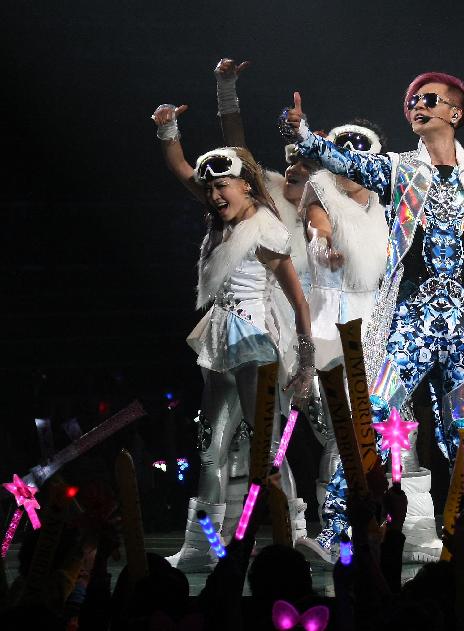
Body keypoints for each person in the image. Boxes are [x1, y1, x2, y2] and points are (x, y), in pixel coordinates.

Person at [280, 71, 464, 561]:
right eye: (411, 101)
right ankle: (337, 529)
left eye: (430, 99)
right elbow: (346, 161)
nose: (417, 106)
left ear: (456, 112)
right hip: (414, 319)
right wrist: (304, 136)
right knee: (377, 414)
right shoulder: (400, 169)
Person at [151, 103, 314, 571]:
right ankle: (204, 545)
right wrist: (168, 128)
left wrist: (304, 362)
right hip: (220, 344)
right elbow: (182, 168)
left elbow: (299, 301)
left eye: (223, 185)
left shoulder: (265, 230)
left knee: (267, 447)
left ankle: (291, 534)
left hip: (254, 346)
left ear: (246, 183)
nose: (215, 194)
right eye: (211, 188)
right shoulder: (220, 218)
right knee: (209, 449)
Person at [213, 57, 320, 547]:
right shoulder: (269, 194)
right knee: (259, 436)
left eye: (306, 158)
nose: (296, 164)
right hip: (270, 318)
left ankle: (311, 527)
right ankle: (271, 530)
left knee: (317, 434)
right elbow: (235, 148)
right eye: (292, 156)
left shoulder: (330, 203)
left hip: (323, 320)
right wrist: (226, 89)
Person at [295, 119, 391, 561]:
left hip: (377, 315)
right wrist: (323, 247)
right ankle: (335, 532)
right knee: (340, 428)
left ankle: (377, 524)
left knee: (378, 427)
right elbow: (319, 230)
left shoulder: (383, 196)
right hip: (332, 315)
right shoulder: (320, 187)